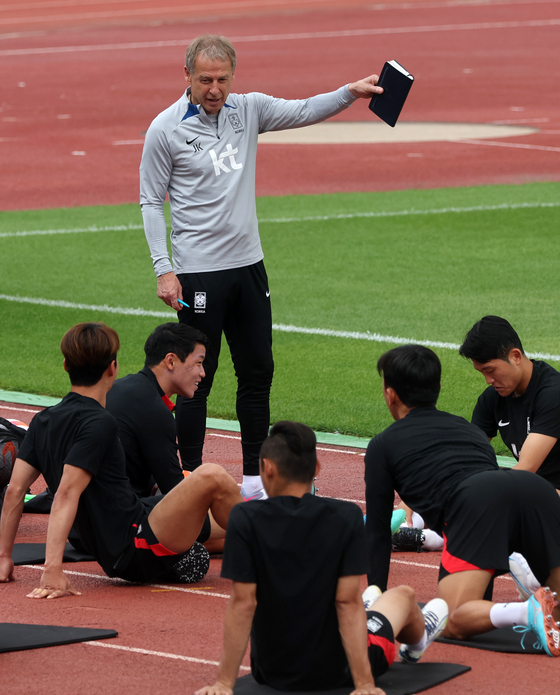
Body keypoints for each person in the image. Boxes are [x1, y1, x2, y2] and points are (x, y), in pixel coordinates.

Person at [139, 34, 385, 500]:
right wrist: (163, 269)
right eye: (206, 79)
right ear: (186, 75)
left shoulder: (247, 109)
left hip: (249, 266)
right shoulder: (165, 129)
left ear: (233, 76)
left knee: (258, 371)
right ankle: (189, 478)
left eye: (223, 79)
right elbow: (152, 200)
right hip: (198, 271)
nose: (215, 89)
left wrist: (348, 93)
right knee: (197, 379)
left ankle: (254, 480)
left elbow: (303, 110)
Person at [196, 421, 448, 695]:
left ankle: (374, 612)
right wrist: (364, 684)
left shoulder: (244, 518)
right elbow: (346, 603)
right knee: (403, 595)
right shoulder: (346, 516)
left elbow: (242, 603)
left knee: (364, 603)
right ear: (316, 469)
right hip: (340, 672)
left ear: (267, 468)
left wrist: (223, 684)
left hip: (271, 672)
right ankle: (419, 639)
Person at [0, 322, 243, 597]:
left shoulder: (43, 420)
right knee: (212, 475)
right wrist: (52, 569)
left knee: (218, 512)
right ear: (113, 369)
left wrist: (3, 557)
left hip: (121, 534)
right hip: (134, 545)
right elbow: (67, 492)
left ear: (66, 367)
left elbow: (15, 491)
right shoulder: (100, 423)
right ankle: (271, 543)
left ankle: (265, 535)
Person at [364, 344, 560, 656]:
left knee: (451, 619)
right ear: (438, 388)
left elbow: (376, 531)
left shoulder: (382, 445)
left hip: (477, 502)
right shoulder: (468, 431)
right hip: (537, 489)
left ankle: (526, 612)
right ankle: (538, 601)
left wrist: (378, 597)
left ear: (390, 395)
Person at [106, 322, 207, 498]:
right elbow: (177, 494)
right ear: (171, 361)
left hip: (88, 510)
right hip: (123, 515)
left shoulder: (118, 387)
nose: (203, 373)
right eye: (198, 363)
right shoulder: (155, 411)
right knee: (213, 480)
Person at [459, 315, 560, 491]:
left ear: (515, 356)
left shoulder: (553, 394)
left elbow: (526, 470)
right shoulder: (492, 398)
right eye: (481, 372)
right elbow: (466, 457)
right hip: (539, 491)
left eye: (490, 370)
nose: (488, 380)